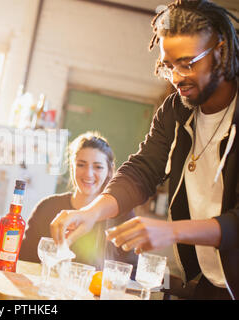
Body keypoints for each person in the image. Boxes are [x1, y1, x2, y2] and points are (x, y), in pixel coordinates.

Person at [50, 0, 239, 300]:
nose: (176, 78)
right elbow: (142, 169)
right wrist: (90, 213)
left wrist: (173, 231)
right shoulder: (176, 111)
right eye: (168, 66)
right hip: (208, 283)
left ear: (221, 50)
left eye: (187, 64)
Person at [19, 132, 137, 271]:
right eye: (81, 165)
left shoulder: (122, 216)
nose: (88, 173)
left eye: (98, 167)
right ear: (71, 166)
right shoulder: (46, 207)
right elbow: (24, 261)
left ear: (110, 171)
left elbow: (131, 272)